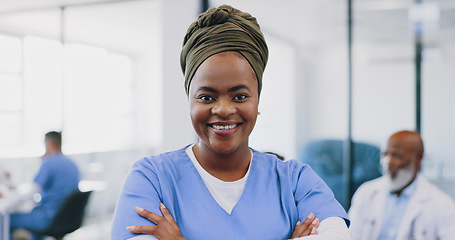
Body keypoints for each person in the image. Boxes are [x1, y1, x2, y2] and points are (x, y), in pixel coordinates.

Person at [111, 5, 350, 240]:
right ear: (189, 100)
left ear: (257, 100)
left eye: (239, 96)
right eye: (206, 97)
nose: (223, 109)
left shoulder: (295, 180)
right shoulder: (151, 178)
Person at [348, 130, 455, 240]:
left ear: (419, 158)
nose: (388, 162)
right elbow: (351, 236)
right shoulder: (366, 192)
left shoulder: (443, 205)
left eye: (397, 156)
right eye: (385, 155)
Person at [10, 131, 80, 240]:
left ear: (49, 142)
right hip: (67, 219)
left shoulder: (48, 163)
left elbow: (32, 192)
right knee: (35, 216)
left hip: (48, 218)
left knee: (5, 220)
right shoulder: (72, 164)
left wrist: (11, 198)